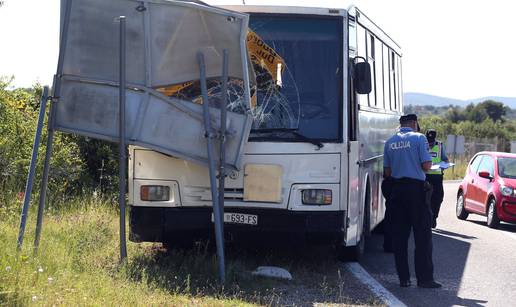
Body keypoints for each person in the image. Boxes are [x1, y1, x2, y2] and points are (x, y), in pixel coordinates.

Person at [383, 114, 441, 288]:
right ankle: (424, 279)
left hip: (397, 191)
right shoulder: (419, 138)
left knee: (400, 237)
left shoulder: (390, 142)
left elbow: (387, 172)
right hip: (416, 191)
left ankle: (404, 279)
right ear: (415, 124)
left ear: (401, 125)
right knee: (422, 236)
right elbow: (426, 165)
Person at [425, 129, 449, 229]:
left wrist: (445, 165)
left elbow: (445, 159)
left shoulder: (439, 146)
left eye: (431, 142)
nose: (430, 144)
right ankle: (426, 219)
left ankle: (434, 217)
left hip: (437, 176)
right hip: (425, 176)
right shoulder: (422, 145)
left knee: (438, 198)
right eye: (428, 141)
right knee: (425, 198)